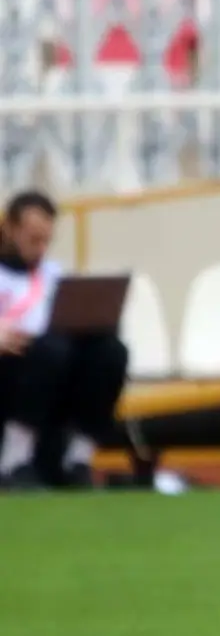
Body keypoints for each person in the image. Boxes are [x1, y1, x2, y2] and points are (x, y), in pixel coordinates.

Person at [0, 190, 130, 492]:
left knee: (110, 352)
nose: (41, 248)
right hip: (13, 361)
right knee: (51, 350)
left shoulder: (53, 274)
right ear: (10, 230)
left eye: (47, 240)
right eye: (34, 239)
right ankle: (14, 458)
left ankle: (79, 458)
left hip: (54, 359)